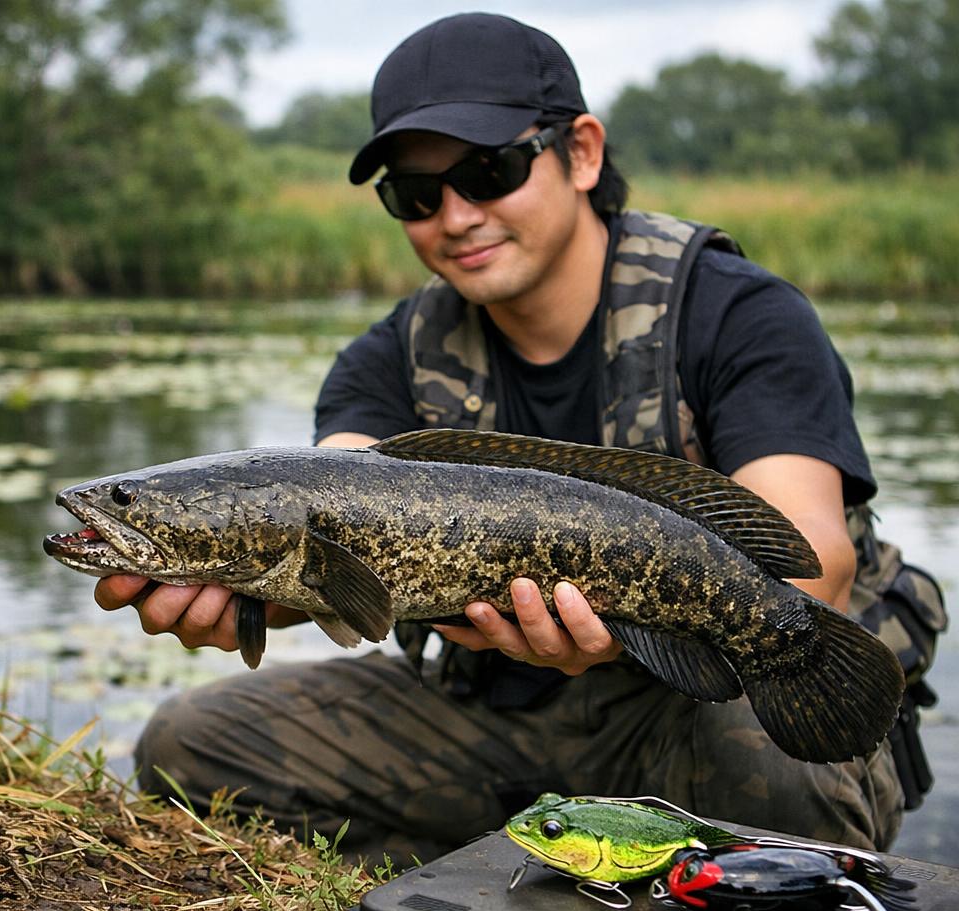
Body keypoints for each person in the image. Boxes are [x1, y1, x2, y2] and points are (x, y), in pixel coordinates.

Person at [94, 12, 929, 865]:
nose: (455, 217)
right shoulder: (384, 358)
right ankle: (474, 886)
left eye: (488, 170)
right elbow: (330, 503)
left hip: (688, 711)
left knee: (781, 766)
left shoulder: (741, 314)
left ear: (583, 153)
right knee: (191, 740)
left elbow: (816, 570)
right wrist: (242, 587)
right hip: (492, 710)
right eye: (416, 195)